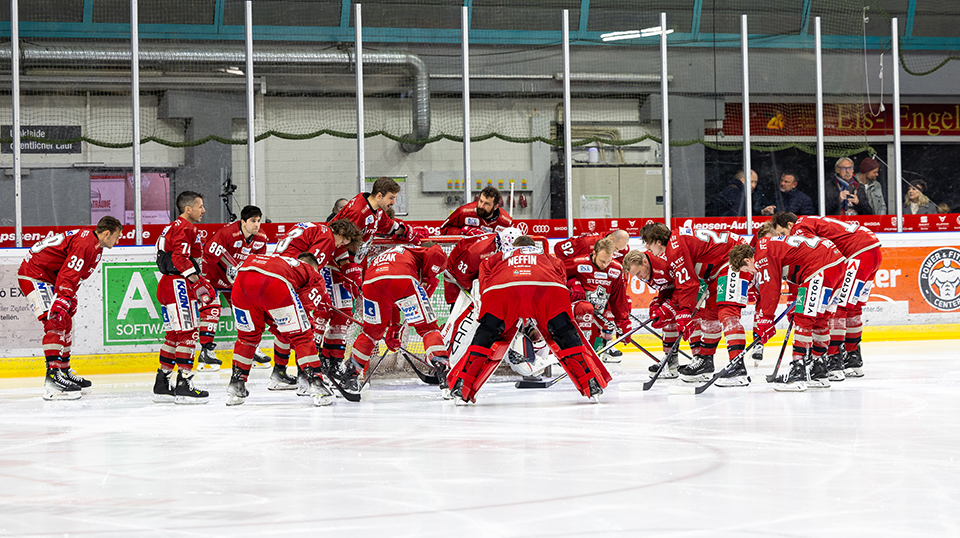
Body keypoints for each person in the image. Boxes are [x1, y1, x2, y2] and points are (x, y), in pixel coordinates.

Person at [445, 236, 610, 404]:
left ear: (514, 246)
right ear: (535, 246)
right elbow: (561, 276)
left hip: (502, 289)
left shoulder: (500, 255)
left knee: (486, 336)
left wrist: (494, 310)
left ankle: (461, 385)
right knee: (565, 334)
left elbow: (484, 277)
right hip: (547, 289)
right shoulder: (548, 256)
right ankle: (591, 383)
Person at [322, 177, 430, 374]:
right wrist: (349, 268)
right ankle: (330, 361)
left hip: (353, 269)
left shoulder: (377, 212)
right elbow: (336, 240)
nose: (393, 202)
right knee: (340, 316)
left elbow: (392, 227)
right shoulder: (357, 211)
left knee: (347, 316)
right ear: (379, 195)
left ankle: (334, 362)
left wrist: (411, 232)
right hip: (336, 268)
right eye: (391, 197)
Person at [17, 216, 123, 400]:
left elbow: (77, 275)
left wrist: (69, 296)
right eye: (117, 236)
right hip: (35, 275)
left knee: (64, 320)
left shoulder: (96, 247)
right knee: (55, 320)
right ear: (107, 233)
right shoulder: (86, 244)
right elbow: (69, 273)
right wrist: (64, 297)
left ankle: (63, 371)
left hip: (48, 277)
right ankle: (52, 379)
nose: (118, 240)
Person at [772, 212, 882, 379]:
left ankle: (834, 360)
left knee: (837, 306)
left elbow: (815, 257)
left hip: (856, 252)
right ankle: (852, 359)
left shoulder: (799, 228)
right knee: (853, 307)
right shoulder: (809, 221)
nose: (783, 237)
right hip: (871, 250)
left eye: (782, 233)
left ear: (789, 225)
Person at [729, 235, 846, 392]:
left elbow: (770, 288)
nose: (750, 272)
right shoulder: (767, 246)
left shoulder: (762, 256)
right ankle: (819, 370)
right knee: (819, 319)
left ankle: (797, 371)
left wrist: (766, 318)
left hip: (820, 268)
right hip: (837, 265)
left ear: (747, 260)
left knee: (803, 319)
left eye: (746, 269)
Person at [640, 222, 751, 387]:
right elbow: (686, 283)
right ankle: (706, 361)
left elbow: (688, 284)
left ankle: (738, 366)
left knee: (727, 313)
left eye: (648, 242)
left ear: (657, 241)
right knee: (708, 314)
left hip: (735, 260)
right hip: (719, 269)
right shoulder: (676, 242)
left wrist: (684, 311)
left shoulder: (675, 247)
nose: (647, 247)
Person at [227, 252, 336, 406]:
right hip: (273, 282)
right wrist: (293, 333)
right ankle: (316, 384)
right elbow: (302, 312)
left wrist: (278, 326)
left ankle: (236, 385)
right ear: (314, 267)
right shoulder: (314, 275)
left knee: (246, 338)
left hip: (242, 281)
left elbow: (270, 313)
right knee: (302, 336)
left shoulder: (282, 260)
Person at [342, 243, 450, 392]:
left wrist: (394, 328)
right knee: (427, 328)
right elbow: (436, 253)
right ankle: (443, 370)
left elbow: (392, 301)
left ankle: (350, 375)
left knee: (370, 333)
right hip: (402, 278)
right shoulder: (429, 251)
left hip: (371, 283)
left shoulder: (395, 252)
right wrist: (428, 277)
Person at [274, 219, 363, 382]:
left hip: (274, 272)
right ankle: (305, 376)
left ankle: (278, 373)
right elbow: (309, 269)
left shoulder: (313, 227)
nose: (339, 246)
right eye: (343, 241)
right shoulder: (328, 238)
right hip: (290, 277)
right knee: (303, 327)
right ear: (341, 232)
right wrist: (322, 296)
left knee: (284, 325)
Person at [153, 191, 215, 404]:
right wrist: (196, 281)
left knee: (173, 335)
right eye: (200, 206)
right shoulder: (185, 227)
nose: (203, 210)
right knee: (188, 333)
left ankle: (162, 382)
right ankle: (184, 383)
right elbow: (179, 257)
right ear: (188, 209)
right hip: (179, 284)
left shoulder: (171, 226)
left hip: (167, 284)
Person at [196, 205, 269, 372]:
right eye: (252, 221)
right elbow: (207, 257)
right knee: (212, 311)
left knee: (247, 311)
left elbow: (258, 263)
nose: (256, 225)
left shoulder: (261, 237)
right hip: (214, 278)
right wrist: (205, 282)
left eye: (258, 221)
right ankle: (206, 351)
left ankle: (252, 348)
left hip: (235, 281)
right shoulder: (228, 233)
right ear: (243, 222)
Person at [564, 238, 633, 363]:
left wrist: (623, 323)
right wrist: (573, 283)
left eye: (608, 261)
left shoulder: (616, 269)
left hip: (597, 317)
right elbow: (555, 275)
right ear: (594, 253)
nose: (604, 265)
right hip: (575, 314)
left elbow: (618, 299)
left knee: (593, 354)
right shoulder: (578, 263)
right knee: (585, 309)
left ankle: (587, 358)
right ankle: (575, 353)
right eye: (602, 261)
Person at [633, 250, 681, 378]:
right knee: (668, 319)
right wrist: (659, 301)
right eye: (635, 275)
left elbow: (683, 287)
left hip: (697, 287)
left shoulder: (663, 264)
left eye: (638, 273)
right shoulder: (649, 271)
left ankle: (701, 360)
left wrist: (667, 306)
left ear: (644, 262)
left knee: (700, 320)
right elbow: (668, 289)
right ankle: (671, 359)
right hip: (681, 291)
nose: (639, 277)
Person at [439, 185, 513, 236]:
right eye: (481, 201)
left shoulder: (506, 222)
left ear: (495, 207)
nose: (481, 206)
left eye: (487, 204)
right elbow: (443, 230)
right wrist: (464, 231)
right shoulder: (463, 212)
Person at [553, 229, 630, 262]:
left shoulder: (623, 249)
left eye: (619, 249)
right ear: (610, 238)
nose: (616, 251)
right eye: (615, 248)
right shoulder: (587, 243)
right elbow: (559, 249)